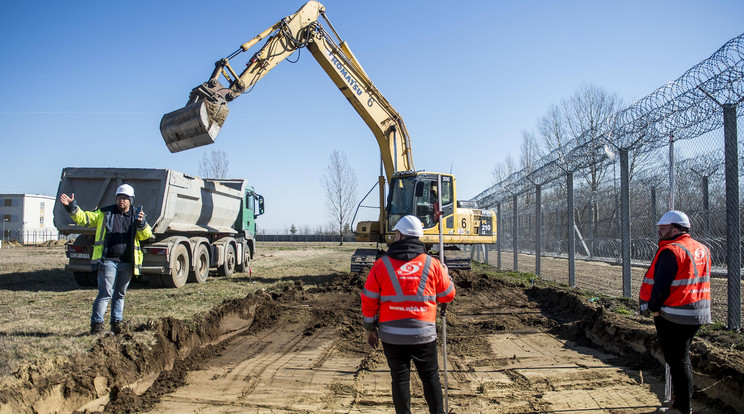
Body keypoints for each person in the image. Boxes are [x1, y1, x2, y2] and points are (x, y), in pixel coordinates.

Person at [361, 215, 455, 414]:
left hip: (392, 336)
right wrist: (446, 275)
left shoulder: (381, 265)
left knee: (400, 378)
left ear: (399, 235)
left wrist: (370, 329)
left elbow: (369, 300)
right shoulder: (433, 264)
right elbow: (447, 296)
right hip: (423, 334)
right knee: (430, 377)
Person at [639, 210, 711, 414]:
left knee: (677, 359)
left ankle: (682, 407)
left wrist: (653, 308)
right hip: (697, 311)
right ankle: (679, 402)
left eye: (663, 227)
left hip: (675, 313)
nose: (659, 231)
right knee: (681, 357)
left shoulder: (672, 250)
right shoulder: (701, 248)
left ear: (676, 229)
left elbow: (661, 286)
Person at [60, 184, 152, 335]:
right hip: (109, 260)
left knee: (120, 294)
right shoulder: (105, 213)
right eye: (119, 198)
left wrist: (141, 224)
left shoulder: (137, 215)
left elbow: (146, 235)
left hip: (127, 262)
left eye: (124, 198)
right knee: (105, 293)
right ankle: (97, 325)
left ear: (131, 200)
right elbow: (85, 219)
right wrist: (72, 207)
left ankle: (117, 323)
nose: (121, 201)